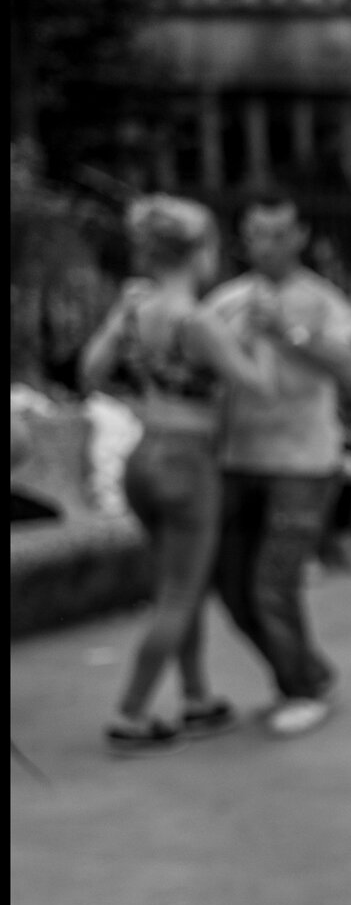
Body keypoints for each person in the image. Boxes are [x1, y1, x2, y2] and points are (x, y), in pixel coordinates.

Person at [79, 196, 282, 751]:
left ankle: (197, 697)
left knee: (179, 583)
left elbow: (90, 372)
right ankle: (130, 714)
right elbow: (259, 386)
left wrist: (116, 318)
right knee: (177, 594)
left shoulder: (135, 309)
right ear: (198, 253)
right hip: (189, 460)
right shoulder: (196, 321)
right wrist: (263, 334)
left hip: (143, 454)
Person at [204, 188, 351, 736]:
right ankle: (307, 673)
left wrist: (289, 333)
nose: (269, 245)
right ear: (243, 238)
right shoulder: (225, 301)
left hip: (303, 462)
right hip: (236, 459)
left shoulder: (322, 300)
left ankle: (302, 689)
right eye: (258, 233)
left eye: (280, 233)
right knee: (232, 586)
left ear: (300, 237)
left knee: (273, 584)